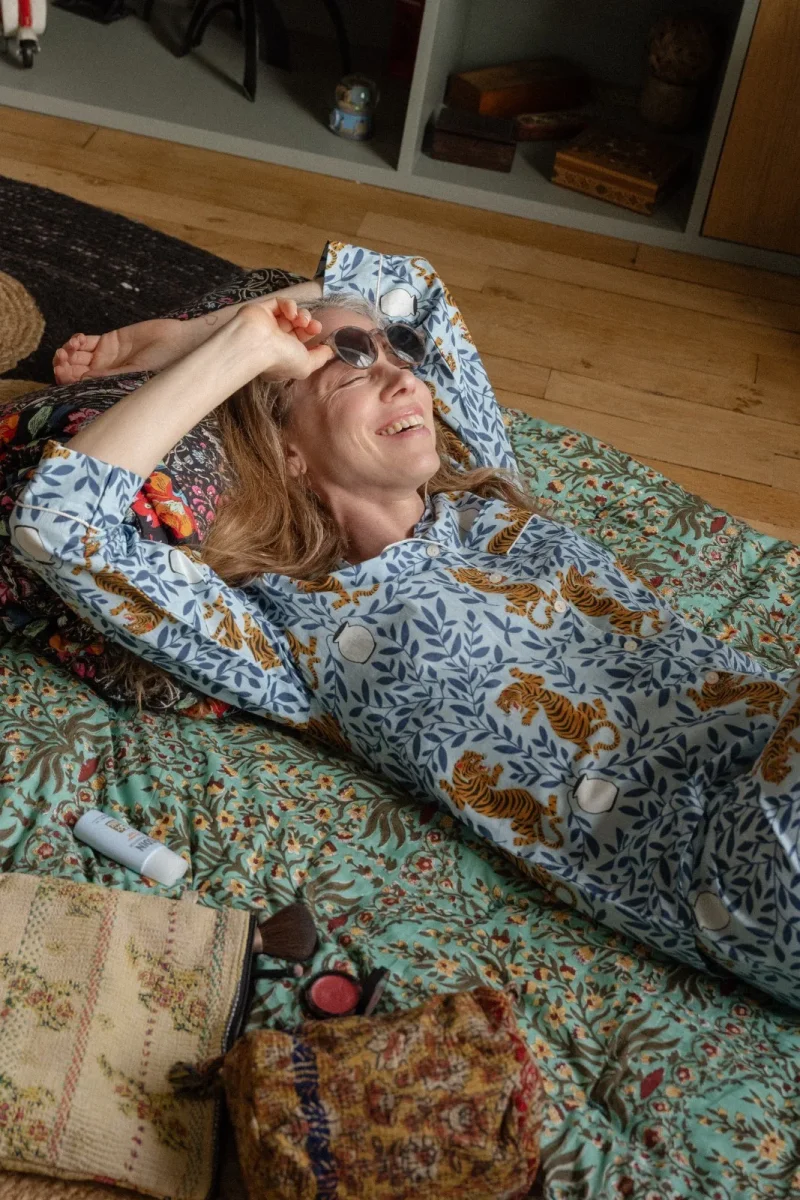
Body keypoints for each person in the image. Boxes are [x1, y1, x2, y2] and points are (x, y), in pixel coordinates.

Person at [11, 243, 800, 1008]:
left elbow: (407, 284)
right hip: (736, 860)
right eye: (353, 362)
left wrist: (189, 334)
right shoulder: (295, 628)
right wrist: (238, 350)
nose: (403, 377)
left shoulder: (484, 501)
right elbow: (57, 525)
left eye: (403, 356)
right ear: (288, 449)